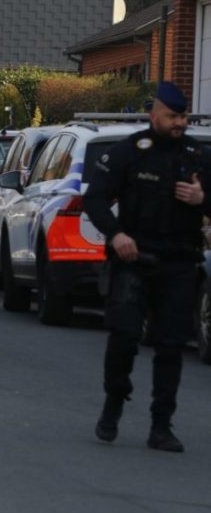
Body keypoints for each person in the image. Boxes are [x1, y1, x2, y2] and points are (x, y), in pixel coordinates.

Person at [84, 81, 211, 453]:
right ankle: (113, 402)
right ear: (154, 114)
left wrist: (203, 198)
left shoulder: (197, 156)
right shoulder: (130, 152)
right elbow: (94, 199)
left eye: (184, 116)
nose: (180, 122)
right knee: (123, 337)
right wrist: (116, 234)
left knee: (171, 345)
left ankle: (161, 425)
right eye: (173, 116)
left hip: (179, 262)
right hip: (133, 259)